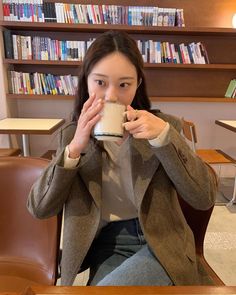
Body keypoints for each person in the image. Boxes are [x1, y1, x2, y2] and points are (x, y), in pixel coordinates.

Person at [27, 30, 217, 286]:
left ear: (138, 83)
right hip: (107, 246)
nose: (111, 96)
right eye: (101, 82)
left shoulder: (163, 127)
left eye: (124, 84)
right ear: (86, 82)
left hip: (162, 242)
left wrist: (164, 139)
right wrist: (74, 150)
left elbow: (203, 197)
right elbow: (39, 208)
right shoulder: (73, 136)